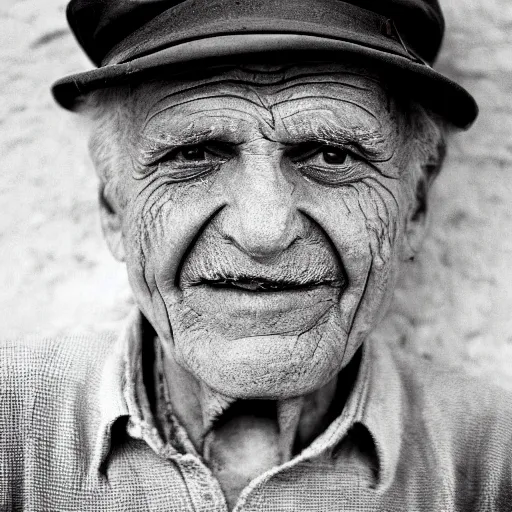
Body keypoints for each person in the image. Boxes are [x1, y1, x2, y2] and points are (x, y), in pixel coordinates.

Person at [1, 0, 511, 510]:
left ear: (416, 203)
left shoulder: (492, 461)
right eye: (193, 153)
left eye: (332, 155)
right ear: (114, 204)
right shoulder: (12, 431)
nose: (263, 232)